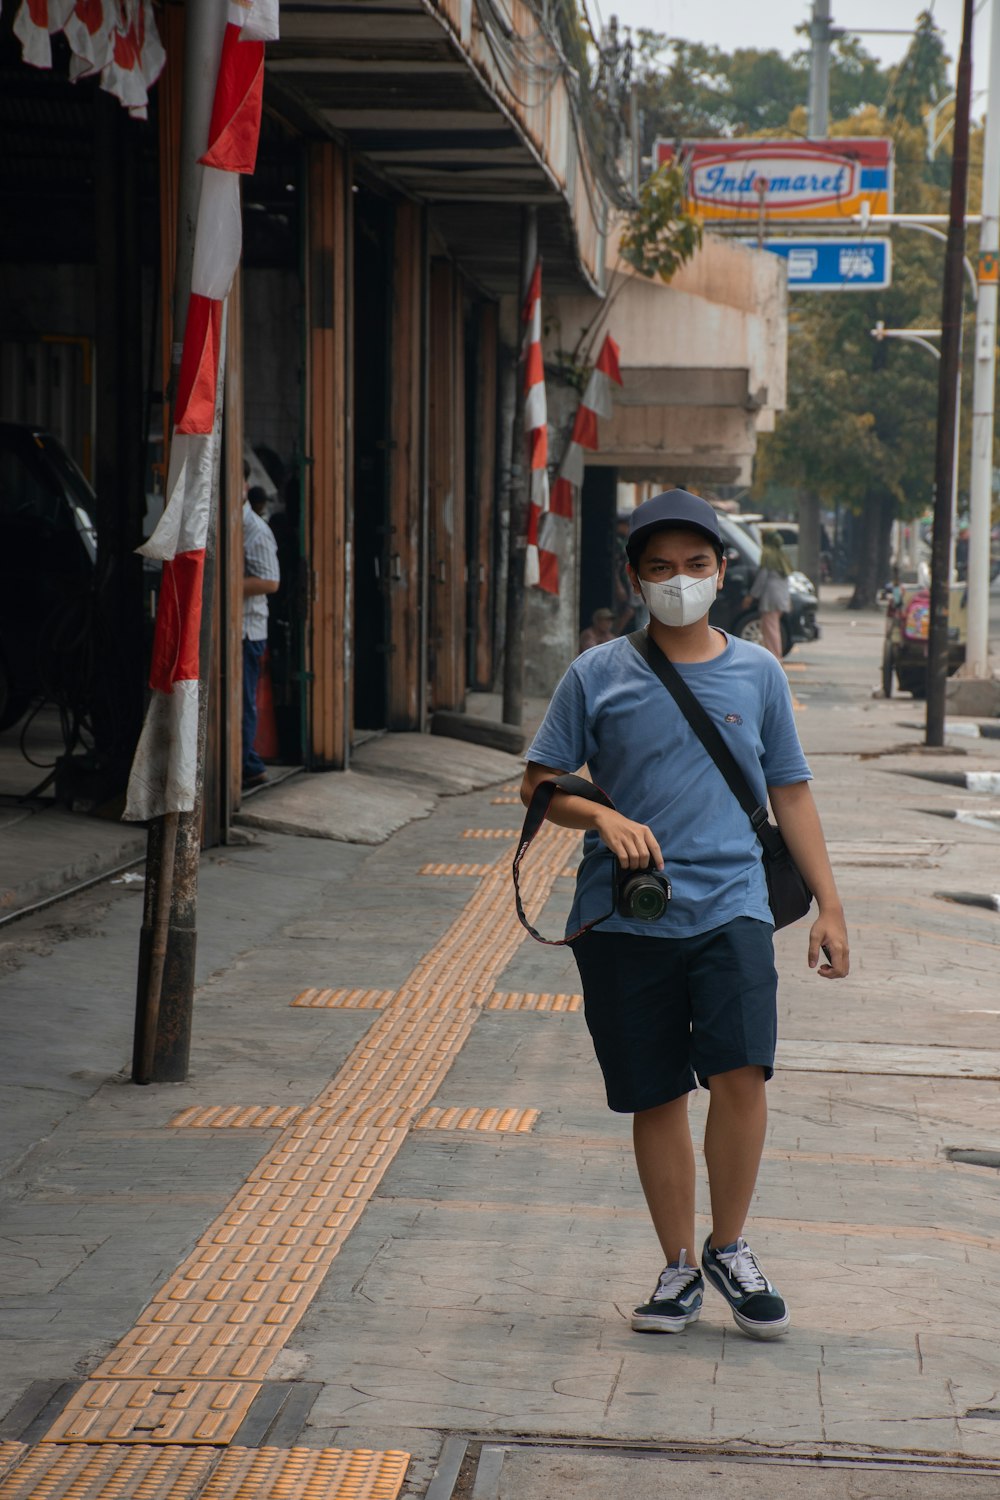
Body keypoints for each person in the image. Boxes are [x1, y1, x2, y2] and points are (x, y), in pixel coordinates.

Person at [521, 489, 849, 1341]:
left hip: (734, 904)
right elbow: (539, 784)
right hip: (627, 916)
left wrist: (831, 907)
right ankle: (676, 1269)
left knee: (742, 1073)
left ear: (722, 572)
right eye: (660, 568)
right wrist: (601, 816)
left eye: (695, 566)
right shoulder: (597, 673)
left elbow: (791, 791)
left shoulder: (758, 672)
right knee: (657, 1092)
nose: (679, 582)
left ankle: (729, 1249)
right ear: (635, 578)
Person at [242, 462, 280, 789]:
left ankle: (247, 764)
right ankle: (245, 762)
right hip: (233, 629)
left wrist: (223, 586)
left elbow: (270, 581)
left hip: (245, 631)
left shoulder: (254, 529)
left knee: (242, 700)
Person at [744, 531, 792, 660]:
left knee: (770, 629)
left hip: (770, 597)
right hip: (781, 597)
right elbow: (787, 579)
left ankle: (775, 657)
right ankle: (775, 656)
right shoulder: (782, 555)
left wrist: (752, 596)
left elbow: (762, 578)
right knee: (773, 627)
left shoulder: (767, 554)